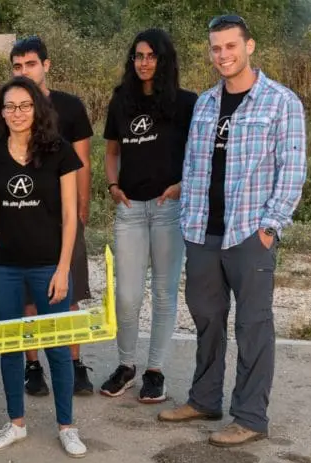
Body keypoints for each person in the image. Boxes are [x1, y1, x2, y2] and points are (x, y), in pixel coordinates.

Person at [159, 15, 306, 447]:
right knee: (207, 317)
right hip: (204, 232)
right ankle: (204, 399)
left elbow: (293, 169)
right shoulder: (205, 103)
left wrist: (270, 226)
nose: (223, 55)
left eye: (230, 46)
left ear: (249, 46)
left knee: (253, 325)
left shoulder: (281, 102)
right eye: (215, 48)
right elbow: (193, 164)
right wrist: (189, 219)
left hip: (248, 234)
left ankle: (250, 417)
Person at [0, 77, 87, 458]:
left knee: (56, 346)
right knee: (10, 345)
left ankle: (67, 426)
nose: (16, 113)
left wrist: (62, 268)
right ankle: (16, 423)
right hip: (3, 265)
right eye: (9, 107)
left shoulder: (60, 151)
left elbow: (71, 216)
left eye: (24, 105)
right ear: (0, 112)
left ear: (37, 108)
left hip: (47, 265)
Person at [99, 29, 197, 403]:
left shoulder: (187, 103)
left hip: (167, 207)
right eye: (138, 56)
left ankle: (155, 370)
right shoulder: (121, 100)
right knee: (126, 295)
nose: (143, 63)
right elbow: (111, 151)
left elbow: (200, 154)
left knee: (163, 292)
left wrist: (182, 185)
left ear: (164, 59)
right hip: (130, 210)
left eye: (151, 56)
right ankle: (126, 365)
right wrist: (112, 187)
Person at [0, 35, 95, 397]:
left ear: (46, 65)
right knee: (27, 298)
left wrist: (81, 207)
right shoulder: (5, 108)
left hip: (63, 217)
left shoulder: (69, 106)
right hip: (21, 216)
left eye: (31, 64)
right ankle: (33, 366)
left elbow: (82, 161)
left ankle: (73, 363)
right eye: (17, 67)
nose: (24, 71)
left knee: (66, 293)